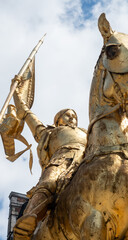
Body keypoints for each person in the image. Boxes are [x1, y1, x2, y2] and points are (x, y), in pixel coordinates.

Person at [13, 91, 87, 240]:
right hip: (63, 158)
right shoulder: (49, 132)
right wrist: (18, 96)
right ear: (58, 120)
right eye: (67, 115)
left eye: (75, 116)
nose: (72, 118)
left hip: (88, 159)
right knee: (48, 182)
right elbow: (28, 115)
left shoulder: (87, 132)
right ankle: (28, 221)